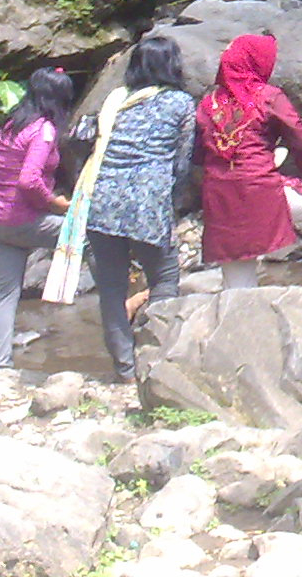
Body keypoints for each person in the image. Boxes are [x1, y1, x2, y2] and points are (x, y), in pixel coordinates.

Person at [70, 36, 196, 381]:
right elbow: (182, 164)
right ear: (172, 65)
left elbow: (80, 136)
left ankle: (125, 369)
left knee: (111, 290)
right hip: (148, 204)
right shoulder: (180, 103)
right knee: (165, 279)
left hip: (103, 202)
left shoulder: (115, 101)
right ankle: (157, 363)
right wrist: (172, 205)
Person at [196, 32, 302, 289]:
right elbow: (299, 137)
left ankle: (240, 324)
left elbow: (199, 155)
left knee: (238, 286)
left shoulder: (207, 104)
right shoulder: (268, 96)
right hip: (262, 195)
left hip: (220, 202)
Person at [0, 66, 74, 369]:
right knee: (86, 236)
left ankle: (0, 366)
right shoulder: (44, 130)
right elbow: (29, 179)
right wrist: (54, 204)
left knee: (5, 293)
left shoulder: (11, 124)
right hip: (22, 220)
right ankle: (114, 310)